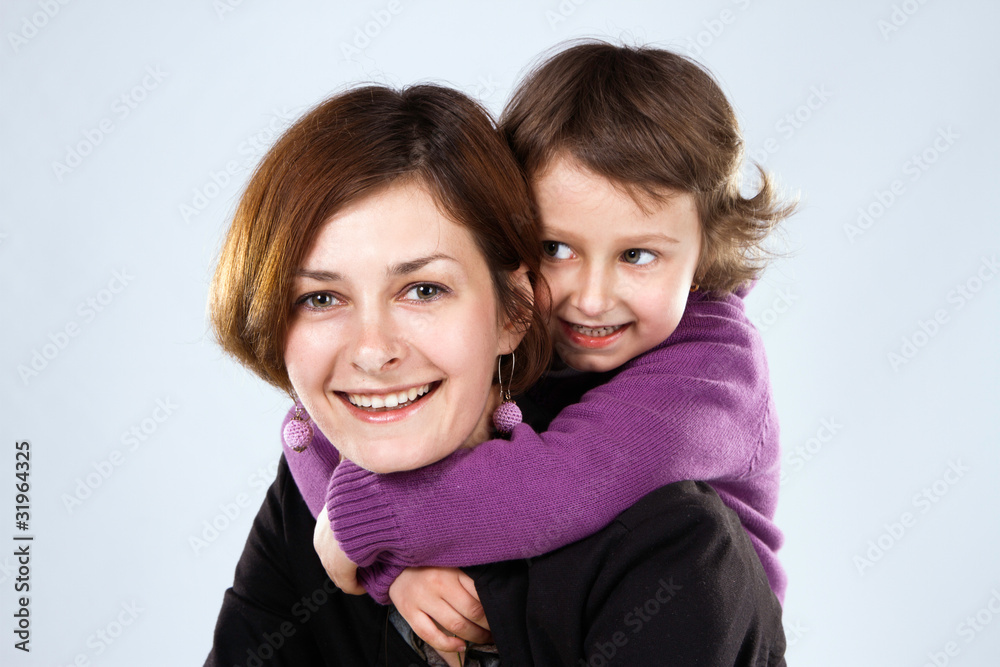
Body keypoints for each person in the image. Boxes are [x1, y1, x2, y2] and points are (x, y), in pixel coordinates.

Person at [205, 82, 786, 665]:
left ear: (515, 309)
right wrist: (390, 566)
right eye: (321, 298)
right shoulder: (318, 489)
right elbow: (305, 433)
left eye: (423, 289)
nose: (372, 353)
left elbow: (564, 483)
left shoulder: (685, 491)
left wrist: (364, 526)